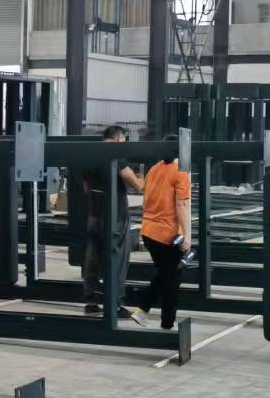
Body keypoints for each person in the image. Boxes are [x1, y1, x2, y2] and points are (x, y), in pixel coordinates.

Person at [81, 125, 145, 321]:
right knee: (118, 258)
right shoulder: (117, 156)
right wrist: (142, 179)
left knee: (93, 257)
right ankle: (115, 304)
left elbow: (85, 187)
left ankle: (92, 302)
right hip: (116, 216)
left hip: (94, 214)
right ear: (118, 138)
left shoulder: (89, 155)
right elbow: (137, 186)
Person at [134, 144, 193, 331]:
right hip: (167, 235)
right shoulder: (181, 172)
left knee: (167, 273)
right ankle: (167, 325)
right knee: (172, 280)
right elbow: (182, 205)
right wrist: (187, 235)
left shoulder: (154, 169)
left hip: (148, 231)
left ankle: (142, 310)